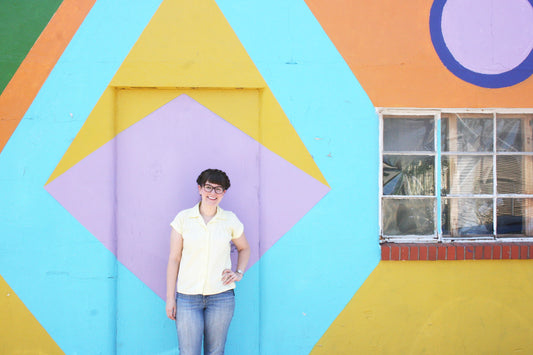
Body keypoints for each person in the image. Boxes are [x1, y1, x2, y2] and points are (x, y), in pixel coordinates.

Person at [166, 168, 250, 355]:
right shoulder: (183, 219)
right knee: (188, 352)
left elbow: (244, 248)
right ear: (200, 189)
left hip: (221, 297)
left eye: (218, 189)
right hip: (187, 298)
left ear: (224, 193)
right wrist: (171, 298)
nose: (213, 193)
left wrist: (239, 273)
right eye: (208, 187)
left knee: (215, 352)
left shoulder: (230, 219)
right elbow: (174, 259)